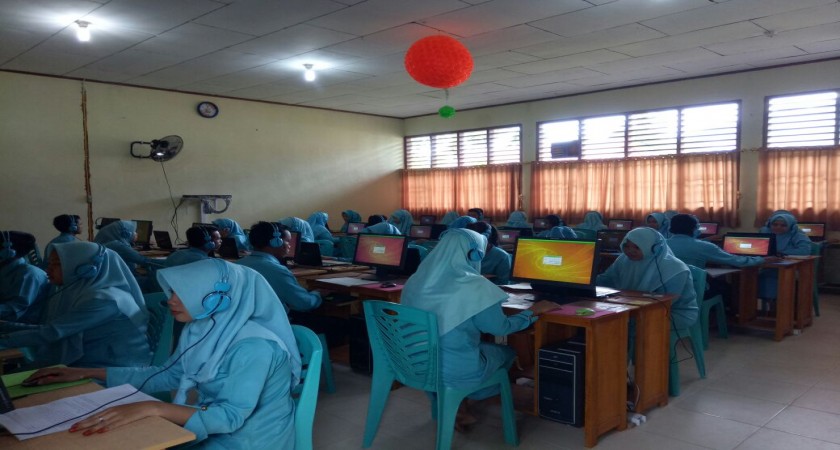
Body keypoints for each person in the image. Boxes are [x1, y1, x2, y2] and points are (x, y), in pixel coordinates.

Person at [24, 259, 300, 449]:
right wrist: (85, 372)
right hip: (212, 424)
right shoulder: (204, 327)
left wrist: (153, 407)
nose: (170, 300)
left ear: (217, 298)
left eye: (183, 293)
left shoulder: (254, 347)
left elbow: (229, 417)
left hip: (250, 440)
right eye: (172, 292)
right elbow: (169, 374)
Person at [401, 228, 557, 430]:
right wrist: (533, 311)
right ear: (475, 254)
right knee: (508, 353)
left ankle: (457, 405)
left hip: (415, 364)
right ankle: (480, 393)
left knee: (461, 346)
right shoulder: (475, 286)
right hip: (456, 372)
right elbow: (500, 328)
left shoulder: (415, 280)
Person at [0, 241, 151, 367]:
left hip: (112, 368)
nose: (48, 269)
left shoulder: (105, 300)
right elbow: (51, 327)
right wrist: (5, 326)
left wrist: (4, 341)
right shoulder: (78, 291)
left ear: (86, 270)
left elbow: (53, 332)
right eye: (50, 263)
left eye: (57, 264)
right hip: (91, 358)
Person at [596, 227, 698, 330]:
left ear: (654, 248)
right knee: (604, 318)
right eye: (626, 246)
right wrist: (588, 283)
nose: (630, 251)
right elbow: (606, 279)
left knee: (622, 322)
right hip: (633, 306)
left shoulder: (675, 268)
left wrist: (628, 307)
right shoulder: (624, 259)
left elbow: (667, 302)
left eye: (637, 247)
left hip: (673, 312)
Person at [237, 222, 322, 312]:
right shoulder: (277, 271)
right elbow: (304, 304)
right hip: (269, 319)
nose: (289, 245)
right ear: (276, 242)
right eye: (288, 241)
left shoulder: (238, 264)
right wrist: (318, 294)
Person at [668, 214, 772, 269]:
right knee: (727, 288)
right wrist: (762, 259)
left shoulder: (663, 244)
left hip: (666, 289)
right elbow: (735, 261)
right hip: (694, 288)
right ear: (694, 229)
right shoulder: (704, 247)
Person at [759, 212, 812, 301]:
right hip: (768, 266)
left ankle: (780, 304)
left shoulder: (797, 234)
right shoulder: (766, 232)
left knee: (778, 278)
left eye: (783, 225)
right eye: (775, 224)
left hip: (791, 269)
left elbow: (804, 251)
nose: (778, 227)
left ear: (790, 226)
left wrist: (781, 253)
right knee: (748, 276)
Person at [0, 231, 50, 323]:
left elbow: (14, 310)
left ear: (7, 252)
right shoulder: (5, 270)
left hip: (21, 327)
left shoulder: (29, 274)